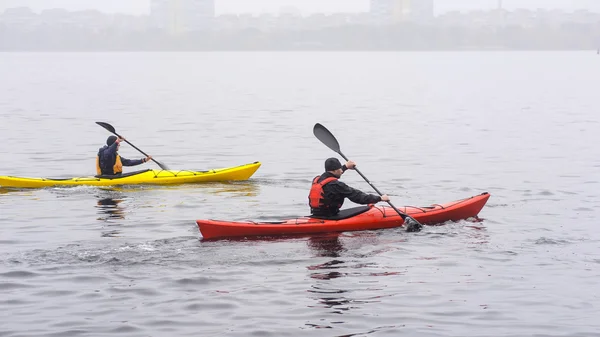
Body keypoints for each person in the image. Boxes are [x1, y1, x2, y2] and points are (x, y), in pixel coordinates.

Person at [309, 157, 390, 217]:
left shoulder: (317, 180)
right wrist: (379, 198)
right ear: (334, 170)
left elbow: (331, 177)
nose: (341, 170)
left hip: (316, 214)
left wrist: (346, 167)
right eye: (339, 169)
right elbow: (358, 197)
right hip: (330, 216)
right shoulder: (338, 185)